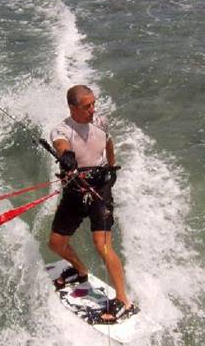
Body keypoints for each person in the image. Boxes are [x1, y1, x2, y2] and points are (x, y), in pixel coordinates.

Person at [48, 84, 138, 323]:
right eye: (87, 106)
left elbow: (108, 142)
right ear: (73, 107)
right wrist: (66, 157)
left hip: (99, 189)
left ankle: (123, 300)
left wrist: (112, 166)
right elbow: (61, 145)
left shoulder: (100, 121)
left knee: (103, 245)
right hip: (75, 191)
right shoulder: (61, 130)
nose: (92, 110)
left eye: (93, 104)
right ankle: (80, 270)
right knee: (56, 244)